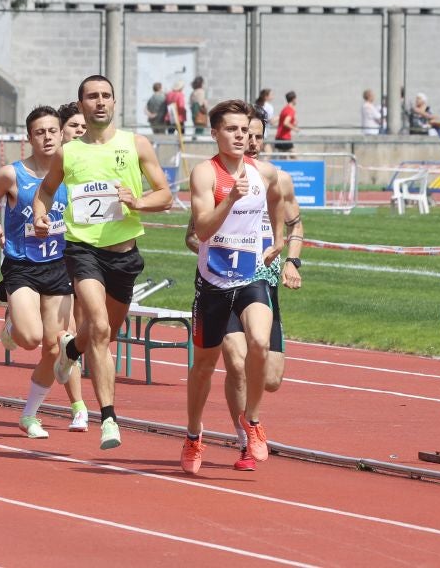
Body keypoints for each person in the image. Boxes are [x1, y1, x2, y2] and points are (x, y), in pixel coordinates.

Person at [34, 75, 173, 449]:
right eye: (92, 97)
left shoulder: (136, 144)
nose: (99, 102)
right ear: (80, 105)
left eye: (106, 96)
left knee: (103, 334)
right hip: (82, 250)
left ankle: (71, 351)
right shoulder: (69, 152)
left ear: (114, 102)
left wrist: (139, 202)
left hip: (124, 255)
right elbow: (45, 192)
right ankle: (109, 418)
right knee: (96, 323)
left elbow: (166, 195)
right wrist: (39, 215)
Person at [183, 106, 303, 471]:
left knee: (258, 343)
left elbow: (277, 201)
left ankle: (252, 423)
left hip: (252, 277)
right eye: (231, 129)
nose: (240, 136)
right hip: (214, 282)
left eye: (244, 129)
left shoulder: (265, 172)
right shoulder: (205, 174)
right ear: (216, 133)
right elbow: (201, 231)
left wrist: (280, 243)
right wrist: (231, 199)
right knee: (204, 366)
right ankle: (192, 435)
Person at [0, 106, 85, 439]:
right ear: (29, 138)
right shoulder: (12, 175)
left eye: (53, 131)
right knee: (31, 338)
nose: (48, 137)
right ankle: (12, 324)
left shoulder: (73, 174)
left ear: (61, 134)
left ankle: (29, 415)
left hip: (58, 267)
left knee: (55, 348)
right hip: (22, 266)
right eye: (40, 132)